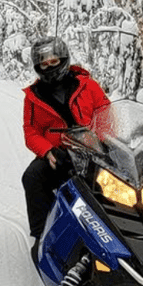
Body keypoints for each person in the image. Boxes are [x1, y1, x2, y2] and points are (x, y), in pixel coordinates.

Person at [21, 36, 110, 258]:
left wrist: (99, 141)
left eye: (54, 61)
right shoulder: (33, 97)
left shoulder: (87, 85)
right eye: (44, 63)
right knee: (32, 177)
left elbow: (106, 115)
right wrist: (47, 151)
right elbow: (30, 131)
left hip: (92, 151)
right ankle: (41, 236)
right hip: (57, 154)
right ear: (37, 66)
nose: (50, 66)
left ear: (63, 59)